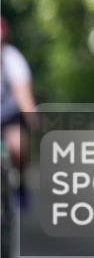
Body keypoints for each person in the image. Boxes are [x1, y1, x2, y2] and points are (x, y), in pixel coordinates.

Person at [1, 16, 38, 207]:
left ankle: (20, 185)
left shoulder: (13, 59)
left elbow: (24, 96)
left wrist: (32, 119)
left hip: (9, 116)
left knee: (18, 147)